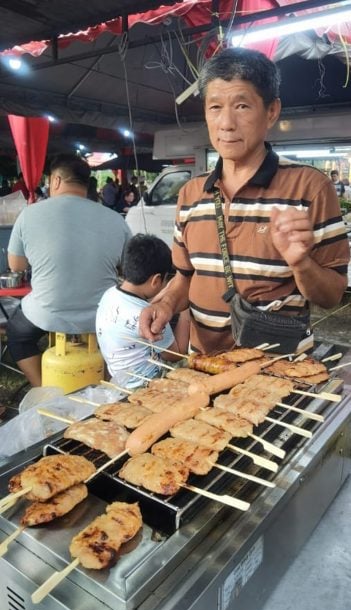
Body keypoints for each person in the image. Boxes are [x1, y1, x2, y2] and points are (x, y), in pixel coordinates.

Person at [139, 47, 350, 355]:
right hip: (206, 367)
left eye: (241, 106)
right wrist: (165, 304)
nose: (226, 123)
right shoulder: (191, 193)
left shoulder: (310, 187)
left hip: (278, 372)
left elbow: (331, 295)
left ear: (272, 111)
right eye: (214, 107)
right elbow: (186, 277)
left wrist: (301, 263)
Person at [6, 153, 131, 386]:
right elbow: (127, 267)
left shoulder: (30, 214)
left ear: (55, 181)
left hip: (46, 312)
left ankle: (41, 388)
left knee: (18, 335)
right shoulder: (115, 219)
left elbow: (16, 266)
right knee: (118, 335)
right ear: (86, 184)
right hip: (101, 314)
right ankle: (106, 385)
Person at [96, 233, 190, 388]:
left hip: (118, 375)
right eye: (166, 280)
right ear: (156, 280)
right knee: (189, 361)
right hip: (145, 383)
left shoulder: (110, 293)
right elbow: (175, 354)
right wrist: (186, 310)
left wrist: (163, 295)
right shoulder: (150, 316)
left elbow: (137, 306)